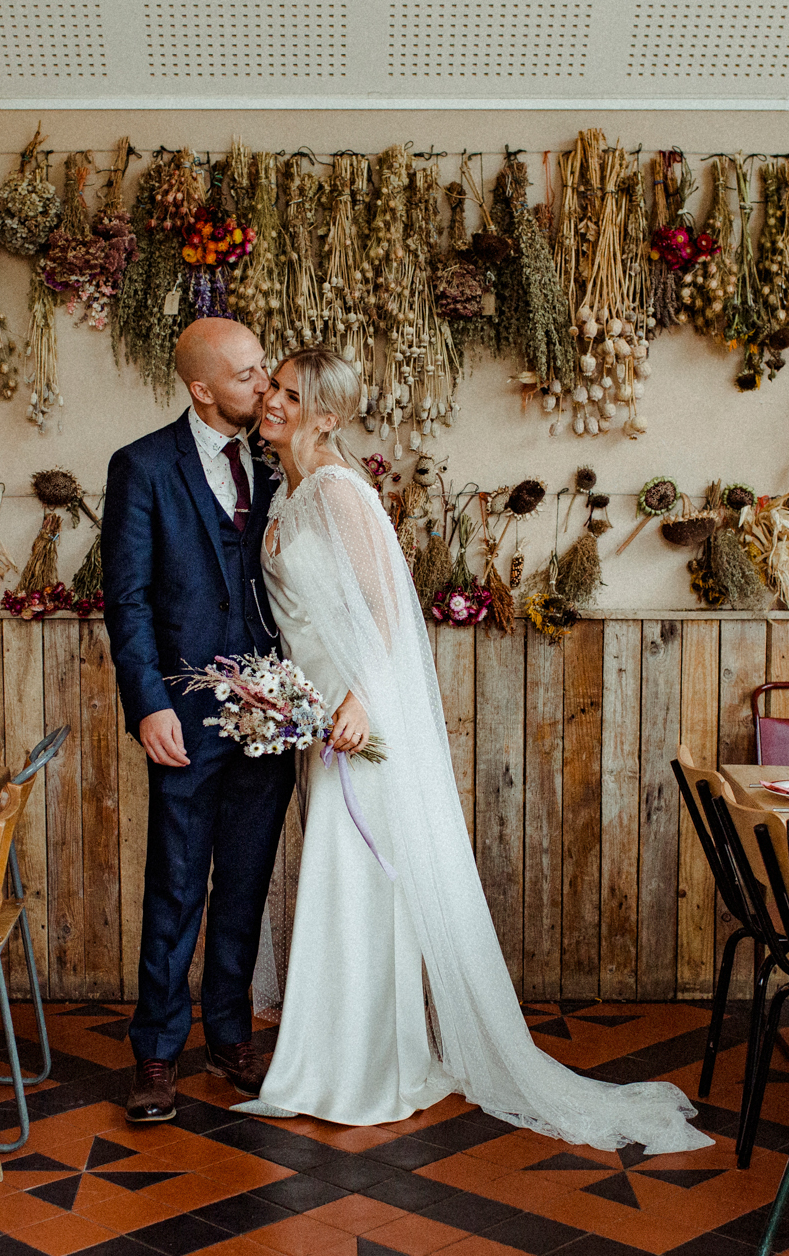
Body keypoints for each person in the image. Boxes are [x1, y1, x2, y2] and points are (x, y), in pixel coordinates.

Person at [236, 346, 711, 1154]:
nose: (270, 402)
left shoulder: (338, 491)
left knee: (359, 879)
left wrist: (356, 699)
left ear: (327, 415)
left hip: (359, 719)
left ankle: (367, 1069)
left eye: (288, 393)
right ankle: (339, 1058)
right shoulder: (286, 491)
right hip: (318, 722)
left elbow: (388, 612)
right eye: (271, 389)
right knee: (336, 877)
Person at [102, 317, 297, 1123]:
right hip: (182, 713)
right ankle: (155, 1052)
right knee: (177, 884)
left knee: (246, 882)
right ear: (201, 388)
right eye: (250, 374)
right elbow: (130, 599)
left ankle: (228, 1034)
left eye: (262, 371)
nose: (264, 385)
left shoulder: (278, 461)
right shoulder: (143, 467)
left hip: (272, 713)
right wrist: (147, 703)